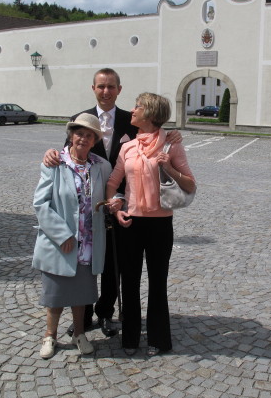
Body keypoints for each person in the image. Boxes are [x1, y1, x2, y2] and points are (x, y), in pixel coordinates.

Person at [43, 68, 182, 338]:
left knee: (112, 263)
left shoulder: (131, 120)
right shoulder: (80, 119)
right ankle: (82, 314)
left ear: (119, 89)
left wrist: (174, 135)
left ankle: (106, 312)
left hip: (123, 203)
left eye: (111, 87)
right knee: (83, 263)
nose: (105, 91)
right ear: (93, 89)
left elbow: (156, 132)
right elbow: (68, 151)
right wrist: (51, 154)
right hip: (88, 203)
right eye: (101, 86)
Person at [106, 93, 195, 357]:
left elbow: (190, 185)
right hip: (130, 223)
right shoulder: (127, 147)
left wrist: (171, 169)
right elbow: (113, 182)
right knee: (130, 282)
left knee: (158, 283)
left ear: (151, 114)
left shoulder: (172, 145)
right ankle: (130, 338)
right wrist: (116, 205)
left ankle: (159, 338)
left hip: (160, 226)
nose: (132, 110)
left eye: (138, 107)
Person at [33, 113, 112, 359]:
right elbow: (40, 203)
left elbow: (111, 195)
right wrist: (61, 234)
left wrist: (116, 202)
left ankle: (79, 333)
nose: (84, 139)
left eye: (89, 135)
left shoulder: (102, 166)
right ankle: (50, 336)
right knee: (55, 295)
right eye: (79, 133)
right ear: (70, 135)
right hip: (60, 243)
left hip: (89, 242)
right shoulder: (55, 163)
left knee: (80, 295)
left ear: (95, 140)